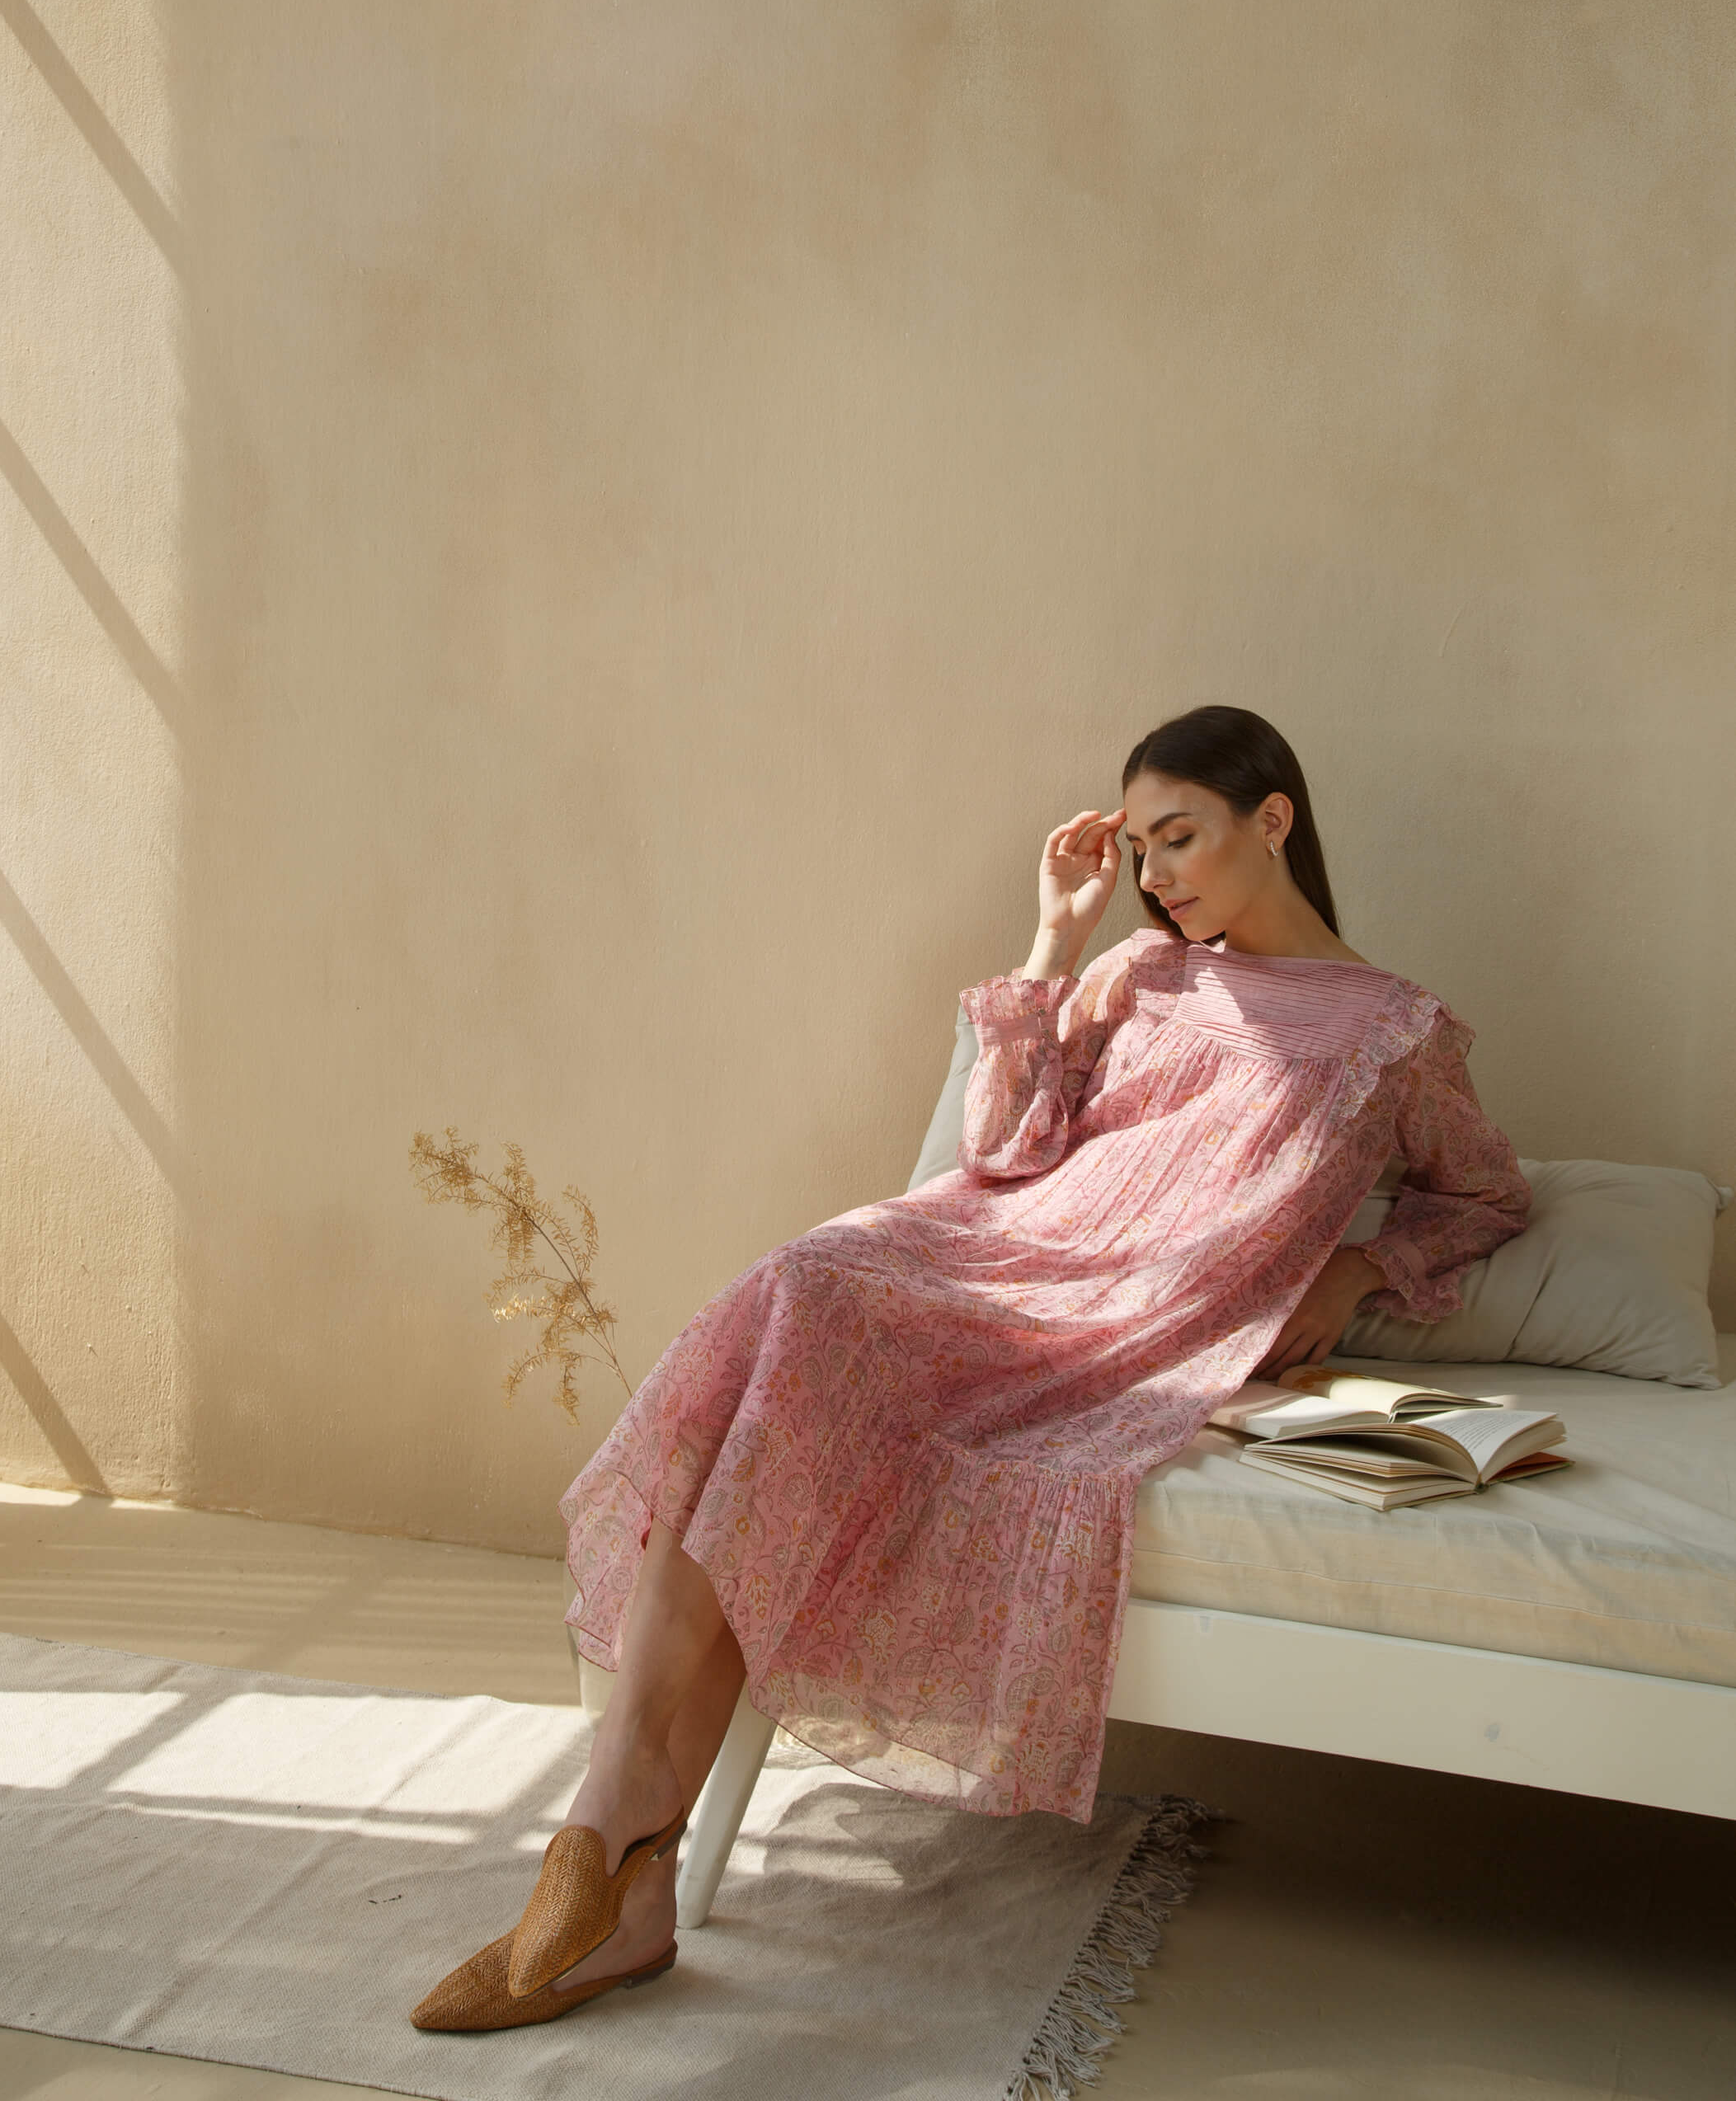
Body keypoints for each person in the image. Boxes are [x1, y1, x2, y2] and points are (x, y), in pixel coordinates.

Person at [411, 704, 1530, 2032]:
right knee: (791, 1310)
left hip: (1117, 1314)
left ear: (1271, 820)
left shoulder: (1398, 1034)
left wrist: (1353, 1271)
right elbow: (1001, 1148)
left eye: (1178, 838)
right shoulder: (1135, 974)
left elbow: (1485, 1196)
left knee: (792, 1335)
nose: (1156, 875)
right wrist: (1057, 938)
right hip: (992, 1245)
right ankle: (610, 1854)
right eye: (1139, 854)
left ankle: (609, 1867)